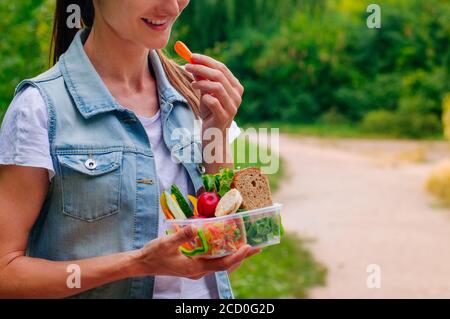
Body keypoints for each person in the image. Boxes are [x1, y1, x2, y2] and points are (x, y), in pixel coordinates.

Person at [0, 0, 259, 299]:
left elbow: (221, 249)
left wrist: (218, 131)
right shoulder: (39, 109)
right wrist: (137, 264)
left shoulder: (195, 93)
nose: (172, 6)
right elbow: (7, 274)